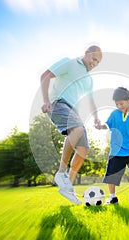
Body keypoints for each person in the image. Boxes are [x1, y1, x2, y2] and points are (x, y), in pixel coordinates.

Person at [40, 45, 102, 204]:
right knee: (78, 129)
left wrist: (96, 117)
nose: (95, 63)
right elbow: (45, 76)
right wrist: (46, 101)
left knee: (83, 149)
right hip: (58, 103)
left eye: (98, 62)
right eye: (94, 58)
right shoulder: (69, 63)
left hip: (74, 111)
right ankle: (61, 173)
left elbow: (91, 100)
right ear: (86, 53)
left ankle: (67, 186)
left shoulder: (89, 80)